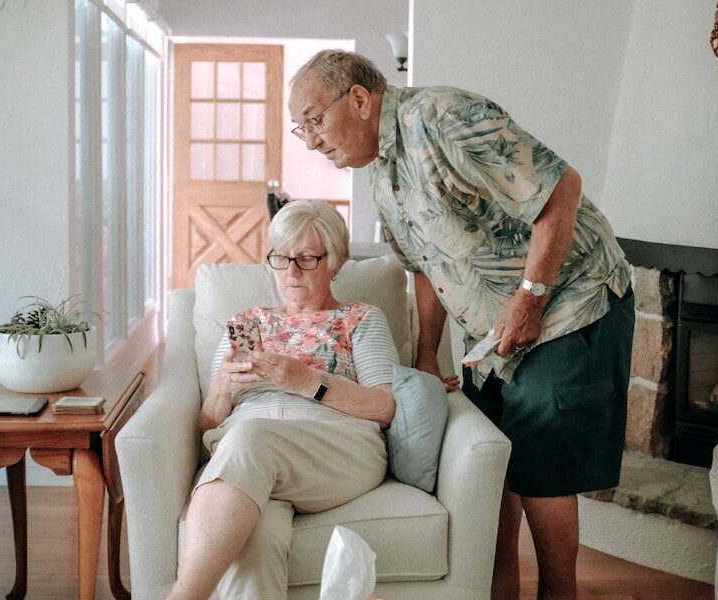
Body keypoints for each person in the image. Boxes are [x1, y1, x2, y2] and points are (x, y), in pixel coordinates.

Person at [288, 50, 635, 600]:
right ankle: (499, 591)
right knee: (498, 466)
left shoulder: (441, 115)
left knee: (541, 466)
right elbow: (427, 268)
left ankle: (559, 593)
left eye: (313, 120)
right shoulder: (382, 177)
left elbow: (560, 187)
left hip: (568, 301)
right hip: (495, 329)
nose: (310, 140)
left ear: (358, 97)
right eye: (299, 128)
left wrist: (531, 298)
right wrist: (428, 353)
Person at [168, 199, 400, 600]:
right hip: (250, 455)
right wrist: (223, 387)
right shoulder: (246, 324)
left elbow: (384, 409)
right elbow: (208, 423)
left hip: (337, 449)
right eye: (282, 258)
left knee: (251, 438)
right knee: (251, 544)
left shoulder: (361, 318)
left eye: (308, 258)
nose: (291, 272)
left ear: (336, 262)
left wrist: (307, 380)